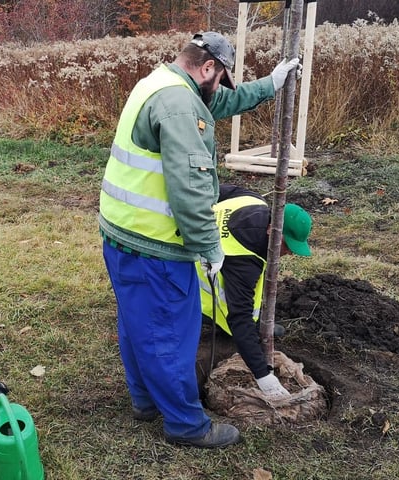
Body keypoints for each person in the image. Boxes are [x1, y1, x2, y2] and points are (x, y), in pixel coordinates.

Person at [98, 31, 300, 449]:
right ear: (208, 68)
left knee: (138, 324)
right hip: (155, 245)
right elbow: (190, 187)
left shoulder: (162, 83)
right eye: (221, 78)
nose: (221, 89)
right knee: (172, 334)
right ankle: (186, 425)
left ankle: (145, 402)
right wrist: (210, 246)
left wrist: (272, 84)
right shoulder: (178, 107)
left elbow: (223, 102)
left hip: (121, 232)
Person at [196, 184, 313, 399]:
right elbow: (239, 316)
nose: (289, 253)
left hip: (209, 252)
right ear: (271, 230)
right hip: (193, 279)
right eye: (287, 246)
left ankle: (255, 326)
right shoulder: (244, 261)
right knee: (227, 315)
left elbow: (211, 190)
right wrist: (262, 375)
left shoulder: (252, 199)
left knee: (242, 314)